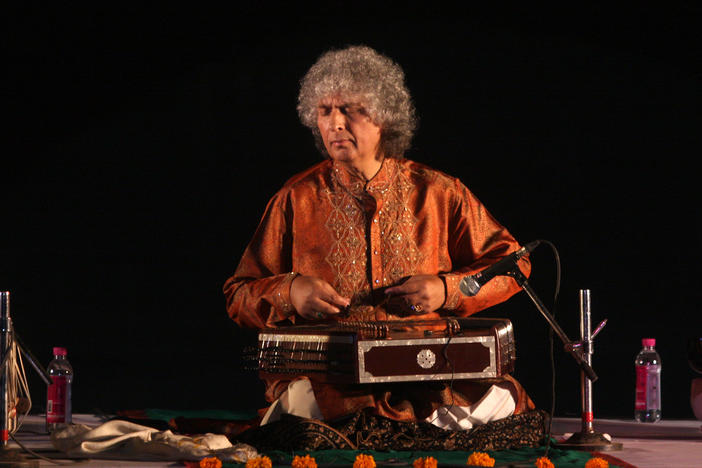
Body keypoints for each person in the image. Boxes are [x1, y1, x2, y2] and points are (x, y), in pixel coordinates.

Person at [223, 45, 534, 429]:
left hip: (432, 376)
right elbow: (238, 293)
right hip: (333, 382)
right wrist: (289, 293)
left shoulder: (438, 191)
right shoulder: (296, 198)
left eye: (350, 109)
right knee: (310, 410)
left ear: (383, 116)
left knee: (500, 399)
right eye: (324, 111)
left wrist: (447, 289)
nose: (335, 123)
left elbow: (514, 263)